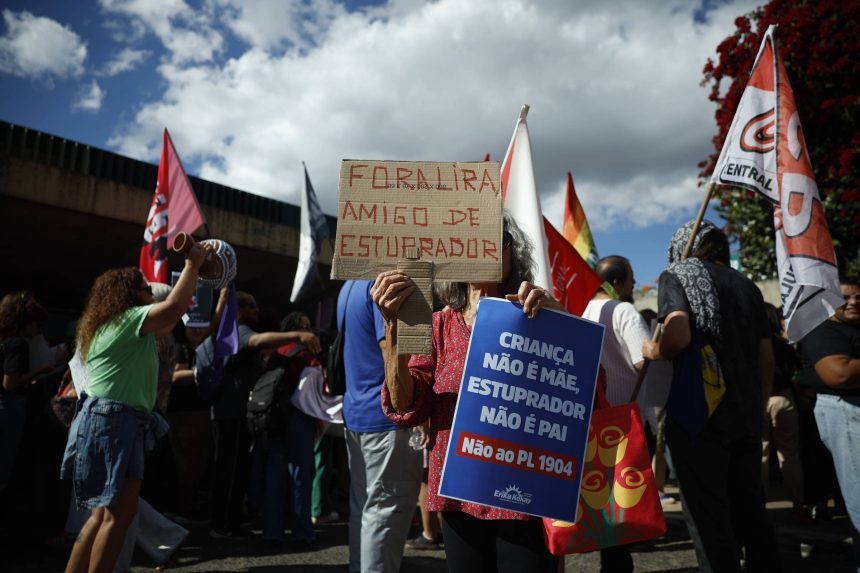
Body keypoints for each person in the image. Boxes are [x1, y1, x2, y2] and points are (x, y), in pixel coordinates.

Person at [372, 213, 561, 573]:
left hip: (524, 492)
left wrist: (560, 321)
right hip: (460, 493)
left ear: (512, 252)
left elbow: (582, 389)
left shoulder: (537, 316)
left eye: (497, 239)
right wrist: (393, 329)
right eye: (474, 240)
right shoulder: (439, 326)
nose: (486, 248)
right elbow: (406, 407)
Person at [60, 242, 209, 573]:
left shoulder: (110, 324)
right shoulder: (126, 320)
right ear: (128, 296)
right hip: (114, 419)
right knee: (115, 518)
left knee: (104, 516)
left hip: (110, 420)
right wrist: (192, 266)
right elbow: (172, 309)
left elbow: (168, 318)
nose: (150, 293)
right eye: (145, 289)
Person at [642, 220, 780, 573]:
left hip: (698, 418)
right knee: (750, 509)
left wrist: (653, 349)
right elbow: (766, 356)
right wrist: (758, 407)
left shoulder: (677, 273)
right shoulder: (748, 286)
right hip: (746, 414)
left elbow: (678, 336)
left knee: (708, 517)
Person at [199, 291, 320, 540]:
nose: (257, 310)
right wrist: (299, 335)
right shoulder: (239, 330)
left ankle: (236, 523)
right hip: (230, 414)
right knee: (230, 471)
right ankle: (222, 526)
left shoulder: (232, 331)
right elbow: (260, 341)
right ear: (240, 310)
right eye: (252, 306)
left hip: (235, 414)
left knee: (241, 470)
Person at [338, 277, 423, 573]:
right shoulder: (381, 283)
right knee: (384, 512)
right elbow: (392, 351)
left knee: (365, 510)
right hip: (386, 417)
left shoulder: (349, 285)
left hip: (357, 413)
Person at [582, 256, 651, 572]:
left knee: (602, 499)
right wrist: (658, 345)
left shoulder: (580, 312)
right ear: (618, 281)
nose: (635, 284)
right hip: (626, 421)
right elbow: (642, 360)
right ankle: (617, 564)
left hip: (592, 420)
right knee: (626, 498)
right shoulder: (624, 310)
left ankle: (612, 560)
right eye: (633, 277)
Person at [800, 276, 860, 570]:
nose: (853, 302)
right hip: (847, 412)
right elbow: (840, 374)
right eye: (845, 297)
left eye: (858, 297)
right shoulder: (824, 330)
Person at [0, 292, 53, 493]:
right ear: (25, 322)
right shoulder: (18, 344)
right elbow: (10, 383)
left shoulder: (3, 340)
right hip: (8, 407)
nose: (38, 331)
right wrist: (41, 370)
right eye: (36, 325)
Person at [760, 303, 807, 521]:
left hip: (758, 400)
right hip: (784, 398)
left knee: (760, 452)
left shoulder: (749, 344)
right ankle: (798, 503)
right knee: (789, 454)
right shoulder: (784, 345)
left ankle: (758, 506)